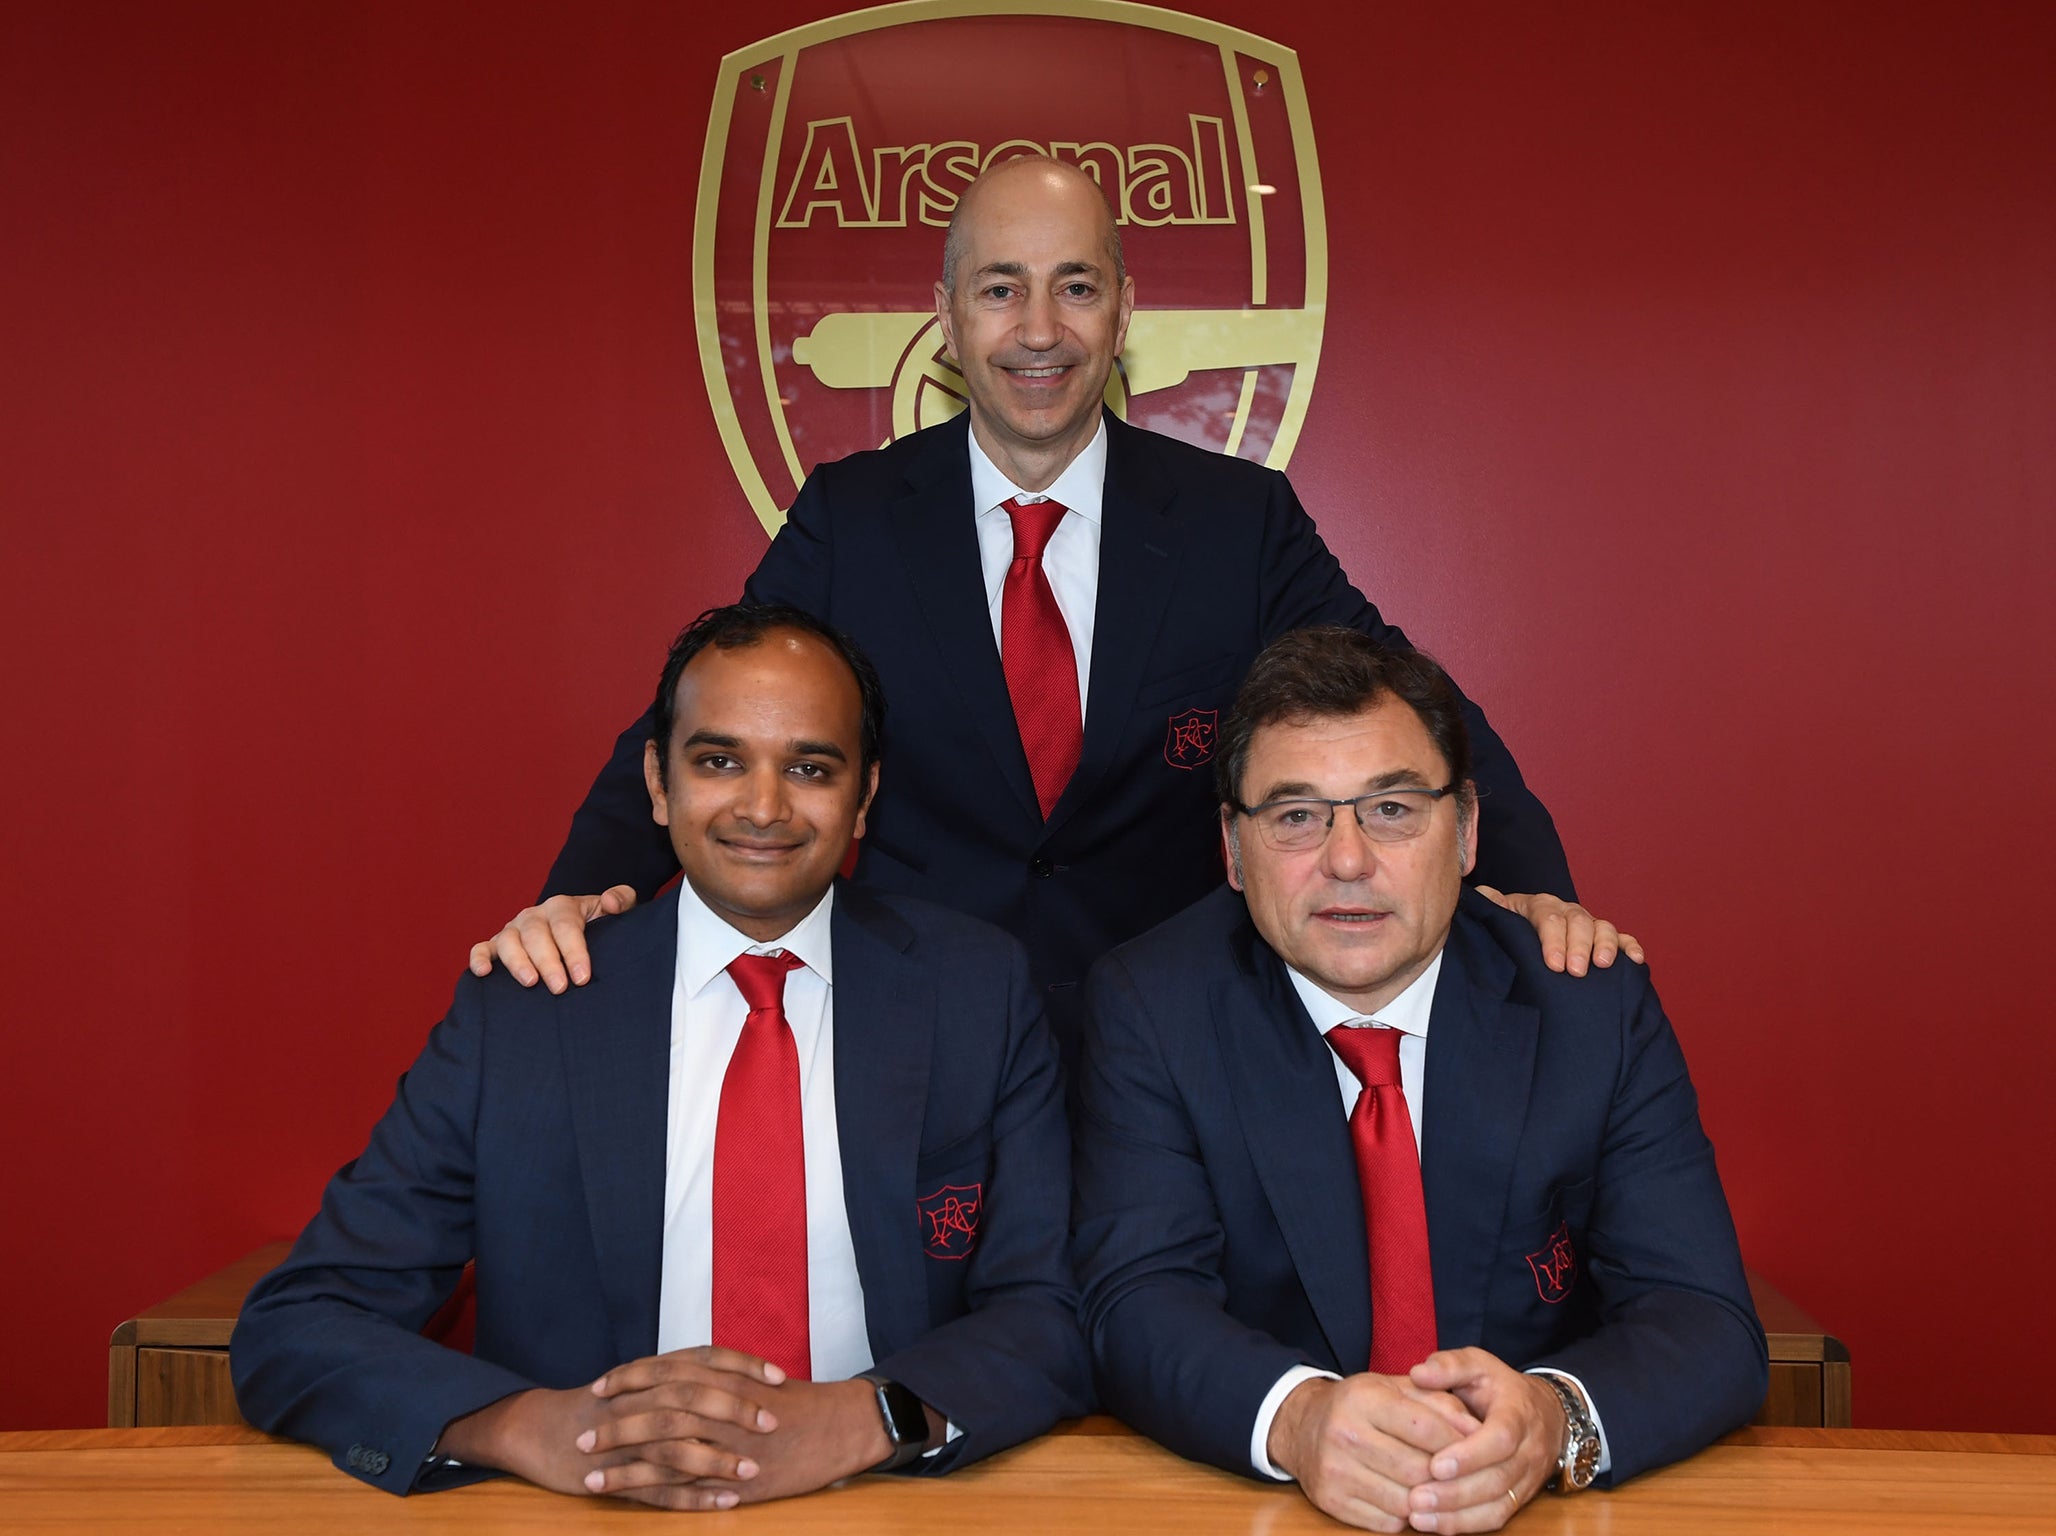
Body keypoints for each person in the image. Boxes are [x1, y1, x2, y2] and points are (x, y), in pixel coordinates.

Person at [474, 157, 1637, 1059]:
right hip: (915, 1051)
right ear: (948, 315)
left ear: (1123, 309)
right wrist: (582, 891)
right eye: (1001, 290)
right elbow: (709, 712)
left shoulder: (1239, 521)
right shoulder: (854, 514)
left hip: (1177, 1055)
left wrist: (1530, 891)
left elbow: (1403, 704)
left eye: (1075, 287)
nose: (1040, 330)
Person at [232, 604, 1088, 1508]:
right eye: (719, 761)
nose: (763, 808)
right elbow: (300, 1324)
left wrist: (864, 1420)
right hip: (586, 1512)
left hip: (883, 1502)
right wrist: (530, 1428)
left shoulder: (975, 991)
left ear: (865, 796)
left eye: (810, 767)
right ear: (656, 780)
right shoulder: (530, 1008)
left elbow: (1049, 1312)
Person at [1072, 628, 1764, 1533]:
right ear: (1233, 853)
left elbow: (1704, 1318)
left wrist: (1552, 1421)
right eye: (1296, 816)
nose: (1348, 860)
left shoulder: (1590, 1009)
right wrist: (1299, 1418)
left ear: (1468, 830)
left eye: (1392, 810)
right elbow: (1134, 1300)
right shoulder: (1150, 1007)